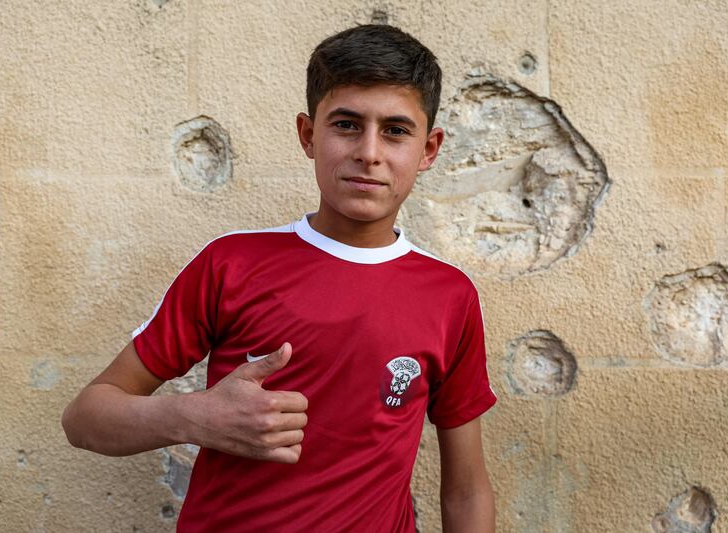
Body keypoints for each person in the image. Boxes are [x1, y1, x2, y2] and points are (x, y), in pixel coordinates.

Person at [62, 24, 497, 532]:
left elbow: (466, 490)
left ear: (429, 149)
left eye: (396, 130)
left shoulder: (449, 296)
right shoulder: (232, 264)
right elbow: (85, 419)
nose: (370, 152)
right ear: (309, 135)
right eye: (347, 125)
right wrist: (193, 416)